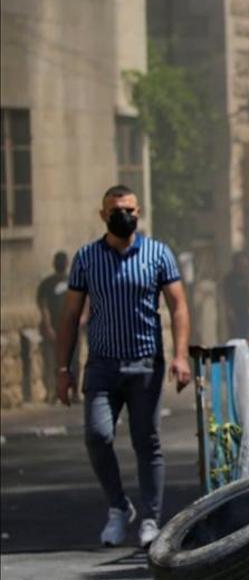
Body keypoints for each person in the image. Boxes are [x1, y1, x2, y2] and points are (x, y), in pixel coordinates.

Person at [56, 185, 193, 548]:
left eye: (130, 210)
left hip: (146, 363)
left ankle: (149, 518)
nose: (124, 216)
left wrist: (180, 356)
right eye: (116, 210)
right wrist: (63, 370)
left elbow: (178, 305)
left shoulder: (158, 254)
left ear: (139, 212)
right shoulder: (86, 258)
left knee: (145, 440)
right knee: (98, 435)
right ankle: (119, 507)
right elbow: (70, 315)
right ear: (103, 215)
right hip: (101, 364)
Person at [37, 251, 73, 402]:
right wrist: (48, 327)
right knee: (52, 361)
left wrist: (82, 320)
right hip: (54, 328)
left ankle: (73, 392)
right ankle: (52, 393)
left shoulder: (74, 281)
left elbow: (85, 300)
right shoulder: (47, 284)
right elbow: (43, 306)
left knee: (72, 361)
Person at [222, 251, 249, 340]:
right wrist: (229, 309)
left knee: (245, 333)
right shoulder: (229, 278)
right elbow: (227, 294)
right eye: (241, 263)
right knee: (235, 334)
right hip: (235, 311)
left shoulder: (246, 277)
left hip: (246, 310)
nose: (243, 266)